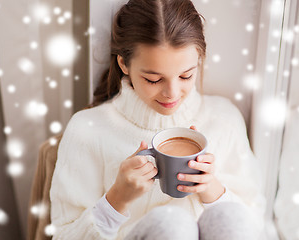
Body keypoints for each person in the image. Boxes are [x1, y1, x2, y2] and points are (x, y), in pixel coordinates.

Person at [50, 0, 266, 239]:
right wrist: (117, 199)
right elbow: (63, 234)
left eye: (186, 75)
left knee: (230, 216)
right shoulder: (88, 130)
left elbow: (257, 223)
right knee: (171, 225)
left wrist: (212, 189)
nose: (172, 93)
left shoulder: (224, 119)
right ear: (124, 63)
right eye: (153, 79)